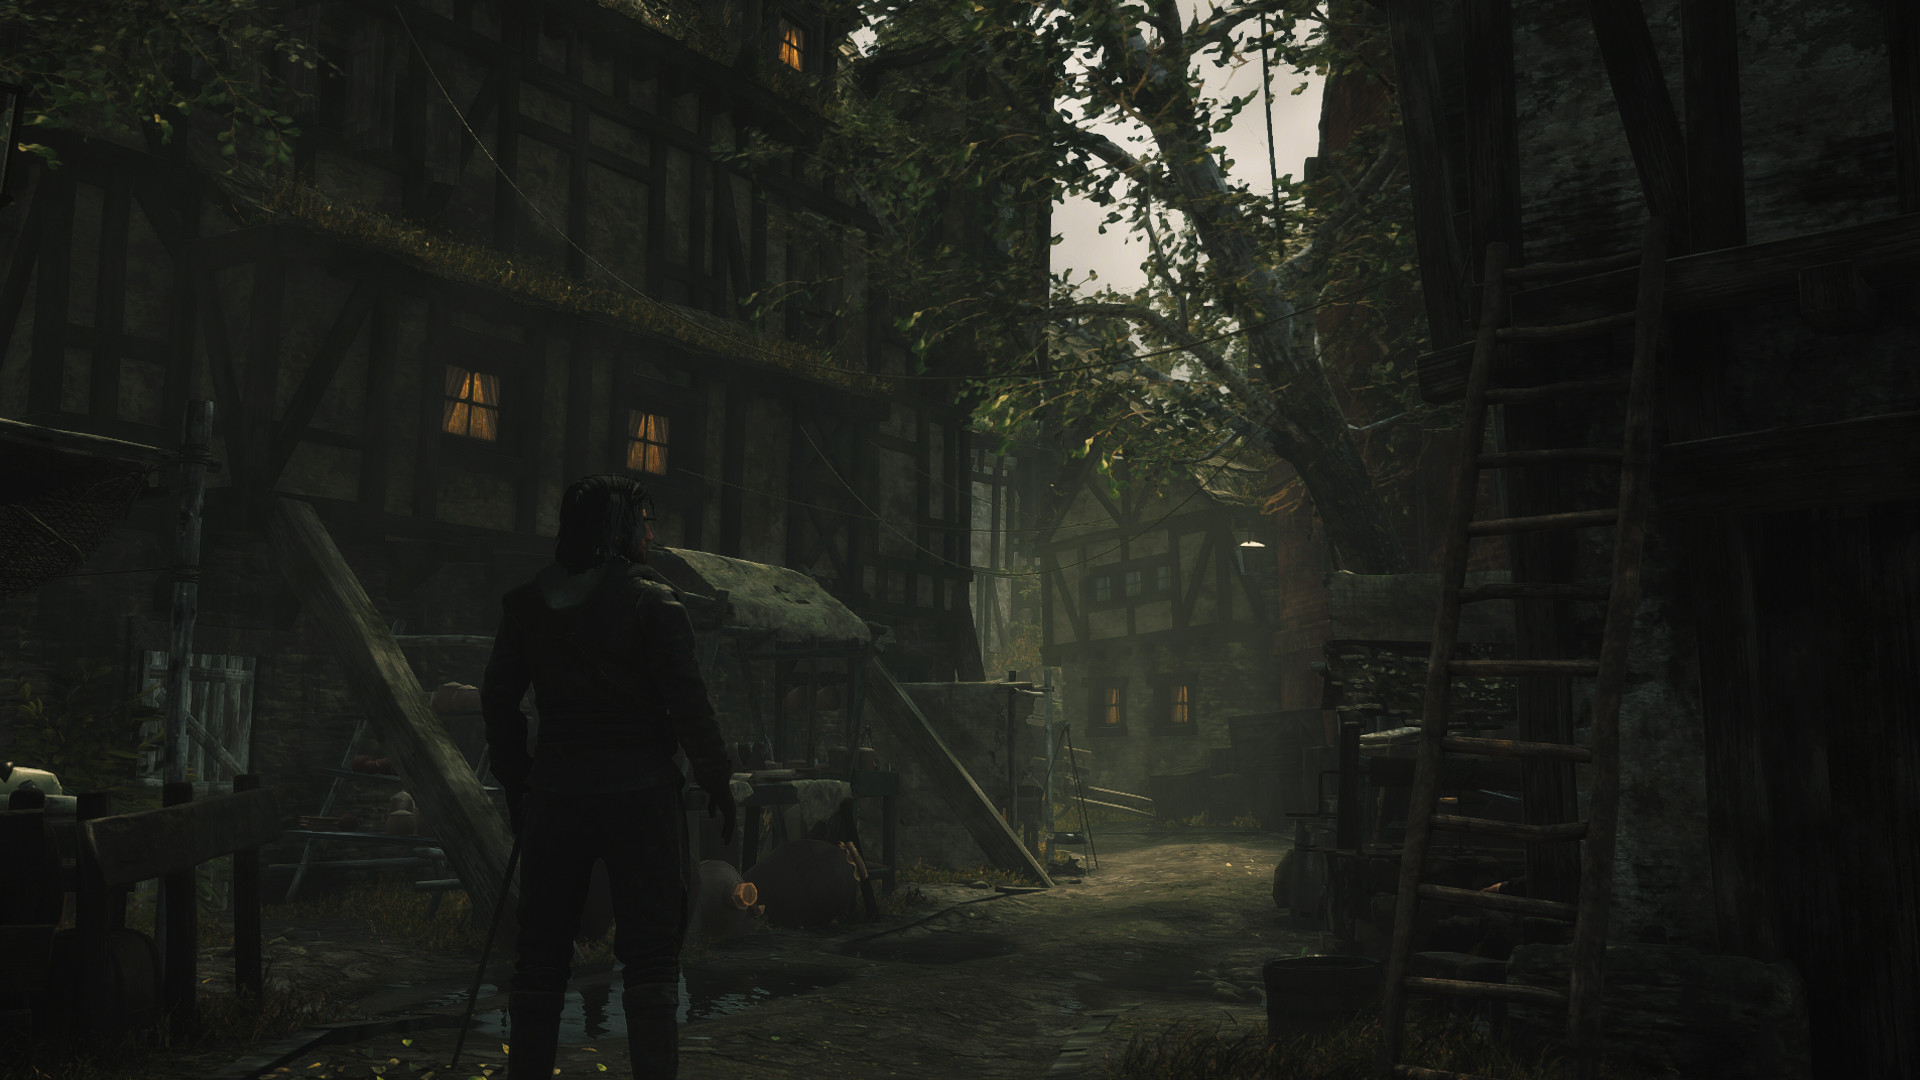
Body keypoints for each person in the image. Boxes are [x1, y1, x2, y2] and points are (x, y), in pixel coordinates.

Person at [481, 474, 737, 1080]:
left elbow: (498, 704)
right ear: (619, 528)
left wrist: (521, 784)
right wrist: (717, 778)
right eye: (643, 522)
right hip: (639, 798)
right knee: (651, 961)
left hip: (556, 797)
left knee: (540, 960)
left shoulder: (527, 606)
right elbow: (689, 705)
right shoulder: (653, 602)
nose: (650, 534)